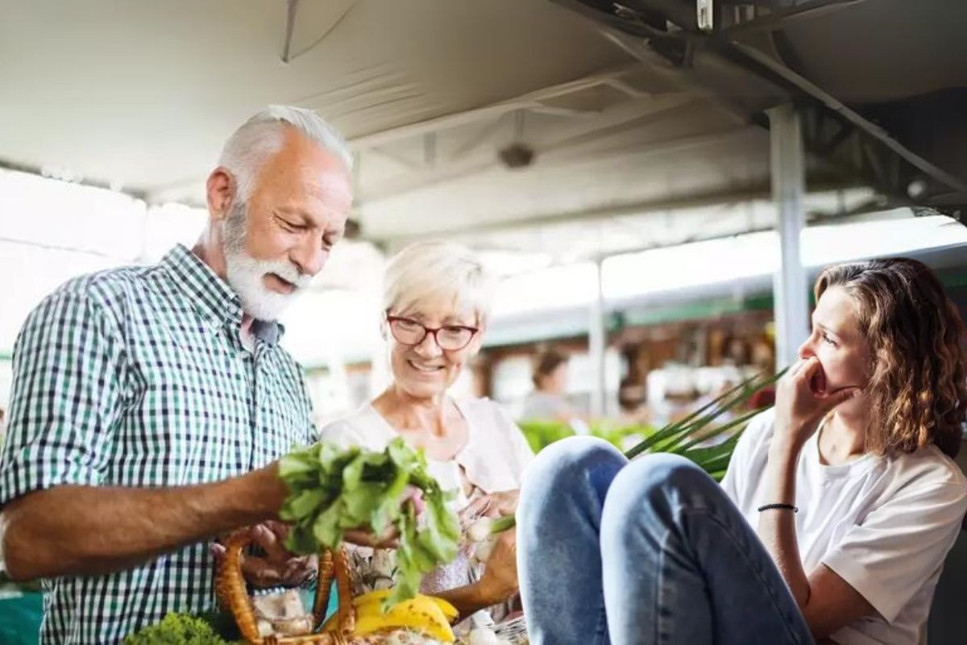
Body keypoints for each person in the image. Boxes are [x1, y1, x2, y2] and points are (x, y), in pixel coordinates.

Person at [0, 106, 376, 643]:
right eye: (295, 224)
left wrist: (292, 562)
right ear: (223, 194)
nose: (312, 261)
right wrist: (253, 495)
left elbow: (282, 559)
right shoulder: (100, 312)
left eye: (330, 240)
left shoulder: (286, 374)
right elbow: (28, 541)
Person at [517, 258, 967, 645]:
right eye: (812, 331)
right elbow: (721, 573)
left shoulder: (931, 485)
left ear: (889, 361)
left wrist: (788, 446)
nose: (804, 351)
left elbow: (801, 619)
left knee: (657, 482)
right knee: (570, 466)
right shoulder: (764, 429)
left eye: (828, 339)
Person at [320, 241, 533, 633]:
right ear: (385, 322)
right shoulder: (349, 443)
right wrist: (483, 592)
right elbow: (364, 615)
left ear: (477, 335)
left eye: (453, 329)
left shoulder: (495, 425)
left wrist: (534, 508)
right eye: (411, 322)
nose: (429, 346)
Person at [520, 349, 585, 429]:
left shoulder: (560, 401)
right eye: (561, 374)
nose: (566, 379)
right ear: (545, 378)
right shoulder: (538, 403)